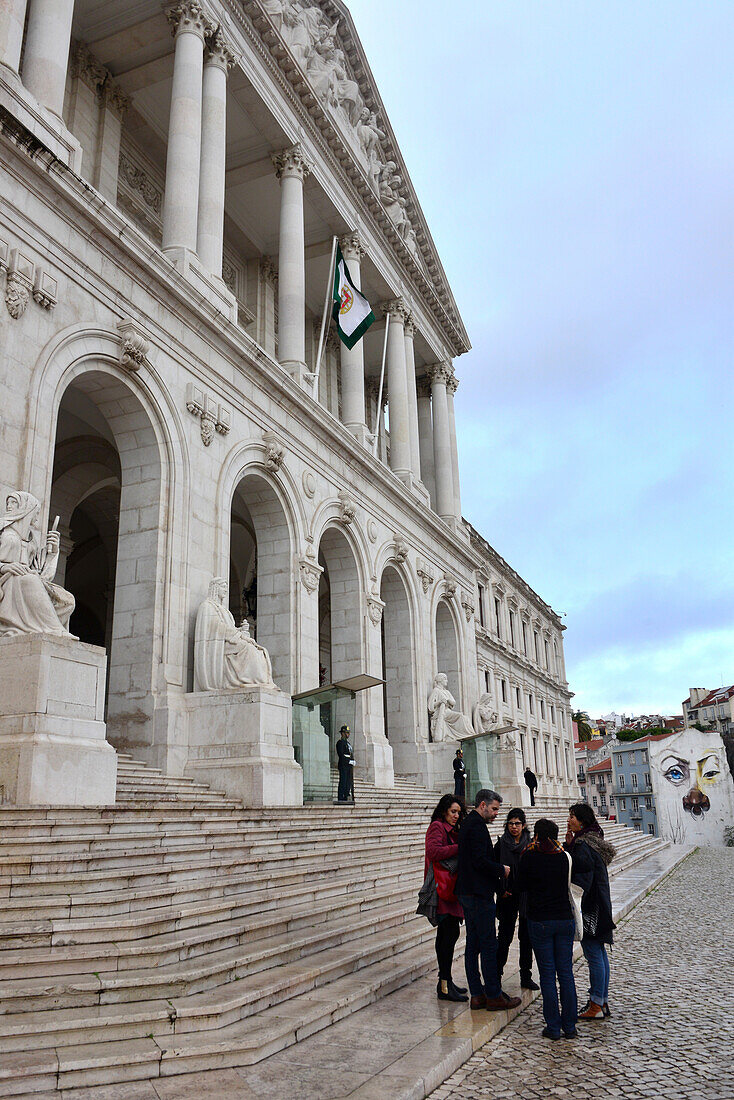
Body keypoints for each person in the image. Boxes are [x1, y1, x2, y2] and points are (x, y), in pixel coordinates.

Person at [456, 788, 522, 1011]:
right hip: (477, 893)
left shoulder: (470, 824)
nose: (496, 814)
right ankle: (493, 994)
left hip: (469, 891)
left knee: (474, 944)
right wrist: (501, 869)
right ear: (482, 805)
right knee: (488, 944)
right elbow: (479, 861)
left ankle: (477, 994)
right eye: (494, 809)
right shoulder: (475, 826)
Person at [515, 818, 578, 1040]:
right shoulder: (563, 856)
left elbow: (520, 886)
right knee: (566, 973)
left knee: (548, 976)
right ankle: (570, 1026)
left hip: (540, 919)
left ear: (537, 836)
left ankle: (553, 1027)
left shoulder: (529, 856)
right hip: (564, 919)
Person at [565, 802, 616, 1020]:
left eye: (573, 817)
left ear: (583, 821)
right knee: (600, 954)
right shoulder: (594, 840)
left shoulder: (583, 846)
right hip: (601, 904)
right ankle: (601, 1001)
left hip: (590, 908)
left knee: (594, 954)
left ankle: (596, 1004)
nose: (569, 820)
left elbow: (581, 880)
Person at [425, 795, 468, 1002]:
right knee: (447, 936)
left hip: (450, 889)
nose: (456, 816)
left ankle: (446, 982)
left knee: (448, 936)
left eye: (458, 813)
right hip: (442, 889)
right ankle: (444, 984)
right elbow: (433, 852)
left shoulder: (451, 830)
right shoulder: (437, 827)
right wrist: (460, 848)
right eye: (453, 812)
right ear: (444, 811)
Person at [493, 808, 538, 991]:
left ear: (524, 825)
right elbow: (493, 869)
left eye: (517, 823)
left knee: (526, 937)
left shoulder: (531, 843)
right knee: (504, 936)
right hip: (508, 895)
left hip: (526, 895)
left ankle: (525, 975)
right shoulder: (501, 844)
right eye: (511, 823)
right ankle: (496, 974)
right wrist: (499, 890)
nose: (514, 827)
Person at [336, 726, 354, 802]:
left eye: (348, 732)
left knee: (348, 782)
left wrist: (352, 760)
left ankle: (346, 795)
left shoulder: (348, 743)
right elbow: (341, 754)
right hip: (343, 765)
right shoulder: (340, 743)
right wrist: (348, 761)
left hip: (349, 765)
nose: (348, 734)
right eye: (346, 733)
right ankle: (341, 797)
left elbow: (350, 753)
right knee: (343, 781)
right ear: (342, 733)